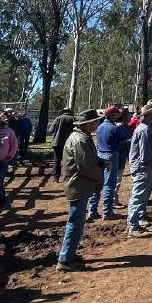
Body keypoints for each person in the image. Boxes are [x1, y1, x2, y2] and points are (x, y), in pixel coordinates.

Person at [56, 109, 105, 271]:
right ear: (88, 123)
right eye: (96, 121)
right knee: (75, 223)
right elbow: (85, 166)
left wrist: (101, 162)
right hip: (78, 185)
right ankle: (65, 259)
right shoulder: (80, 140)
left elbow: (89, 159)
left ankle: (69, 255)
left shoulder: (83, 138)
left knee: (77, 222)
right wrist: (100, 176)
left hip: (80, 185)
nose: (98, 124)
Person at [125, 101, 152, 236]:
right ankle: (133, 227)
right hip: (143, 168)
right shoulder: (144, 129)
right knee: (138, 196)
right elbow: (144, 155)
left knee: (140, 195)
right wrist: (149, 165)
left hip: (143, 167)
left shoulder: (145, 127)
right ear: (151, 113)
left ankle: (134, 224)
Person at [88, 105, 123, 220]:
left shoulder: (99, 127)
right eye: (117, 113)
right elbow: (125, 139)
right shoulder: (115, 128)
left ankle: (92, 211)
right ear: (112, 115)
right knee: (109, 184)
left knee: (97, 183)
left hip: (100, 154)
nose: (119, 115)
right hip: (111, 155)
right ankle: (107, 212)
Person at [48, 107, 76, 181]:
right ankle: (67, 177)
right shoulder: (73, 119)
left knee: (57, 160)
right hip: (69, 143)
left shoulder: (58, 118)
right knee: (68, 161)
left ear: (63, 111)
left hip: (57, 143)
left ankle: (56, 177)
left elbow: (50, 130)